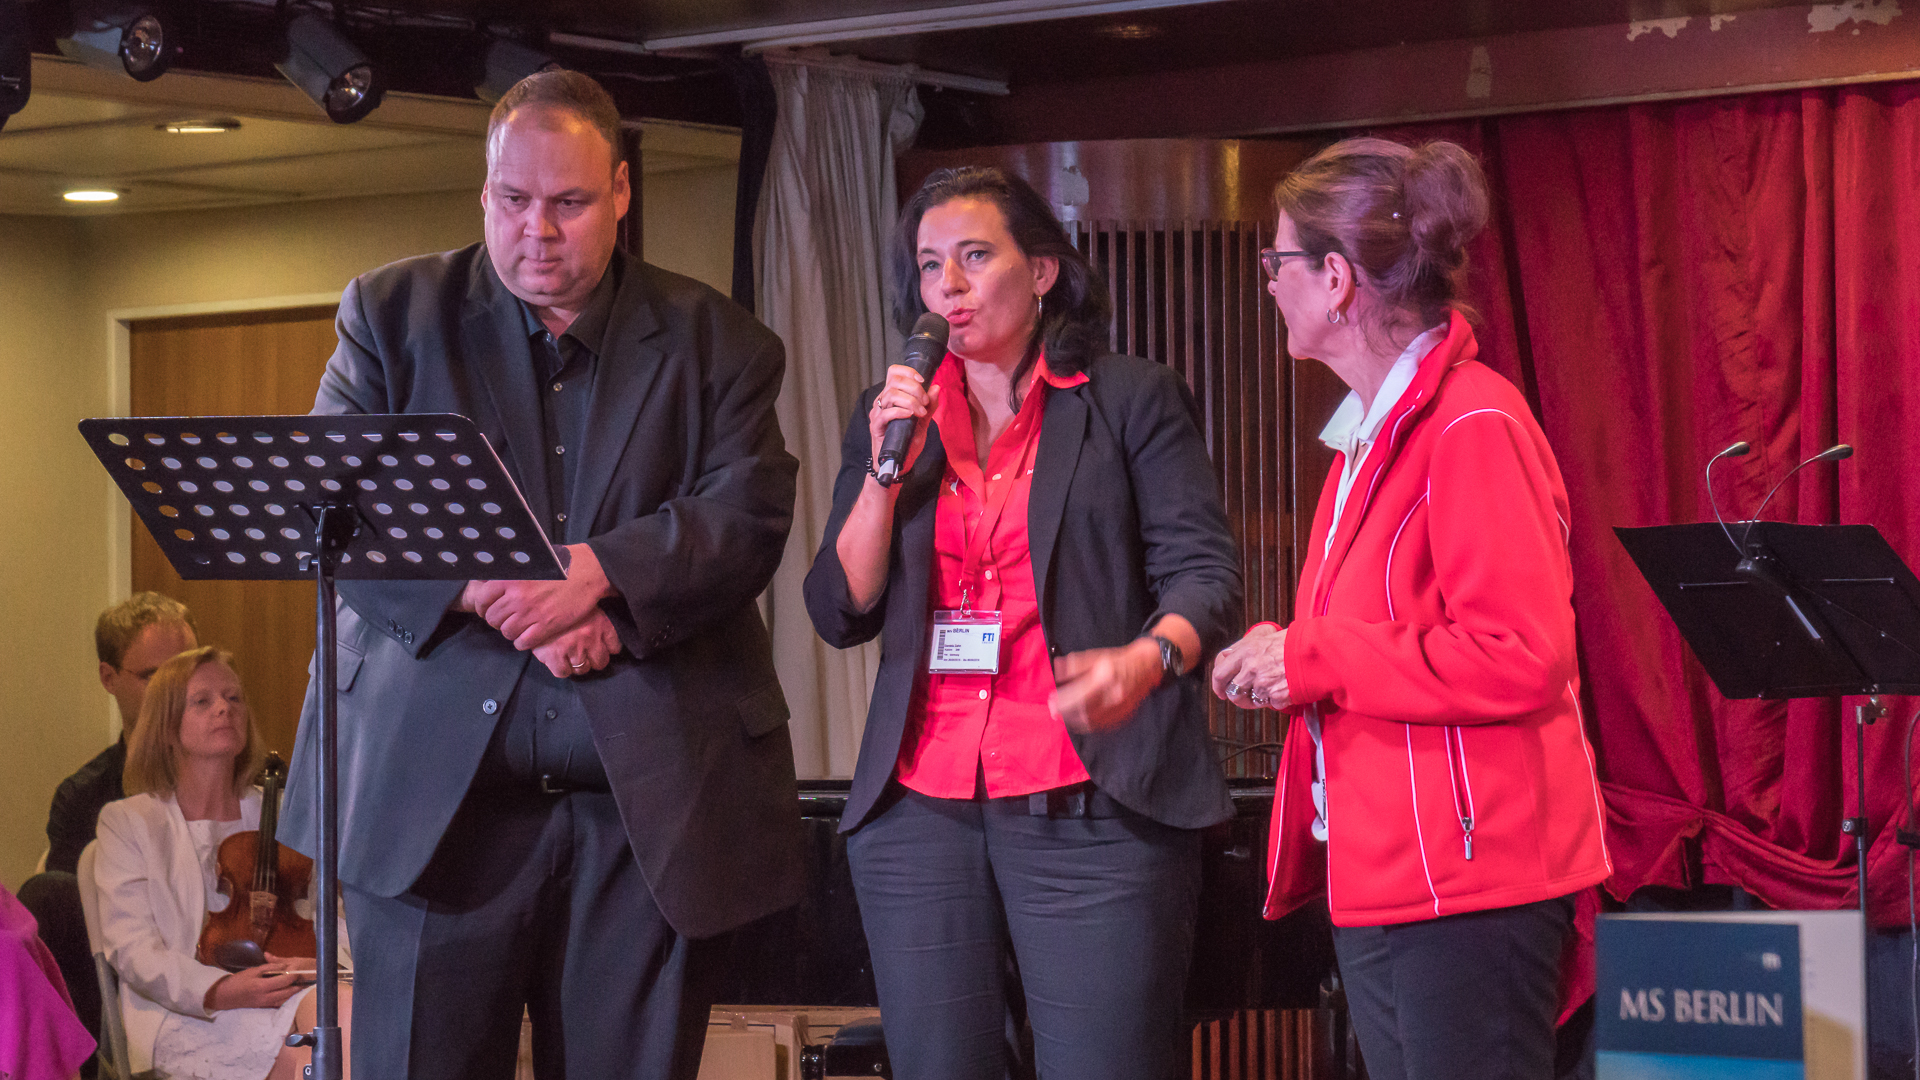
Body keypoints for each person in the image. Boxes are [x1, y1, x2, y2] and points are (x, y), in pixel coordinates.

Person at [279, 69, 801, 1080]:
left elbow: (749, 514)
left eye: (567, 203)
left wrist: (603, 573)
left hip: (644, 813)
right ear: (485, 195)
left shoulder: (721, 342)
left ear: (619, 193)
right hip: (432, 816)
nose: (539, 231)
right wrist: (508, 590)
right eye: (514, 202)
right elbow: (333, 507)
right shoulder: (390, 316)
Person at [805, 166, 1242, 1080]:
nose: (948, 288)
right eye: (929, 267)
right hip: (924, 809)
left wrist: (1150, 658)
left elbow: (1205, 575)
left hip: (1090, 803)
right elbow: (839, 608)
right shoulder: (894, 416)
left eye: (974, 257)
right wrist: (887, 471)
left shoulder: (1126, 398)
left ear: (1042, 271)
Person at [1211, 137, 1611, 1080]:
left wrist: (1314, 658)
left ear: (1338, 278)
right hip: (1388, 871)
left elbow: (1519, 653)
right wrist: (1286, 647)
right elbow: (1379, 628)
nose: (1268, 282)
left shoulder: (1472, 422)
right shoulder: (1375, 428)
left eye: (1278, 261)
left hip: (1474, 881)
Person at [94, 646, 354, 1080]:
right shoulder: (129, 822)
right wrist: (220, 989)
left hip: (287, 988)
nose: (224, 709)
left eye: (234, 699)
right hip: (191, 1011)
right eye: (203, 701)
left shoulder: (285, 813)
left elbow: (339, 915)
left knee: (347, 1013)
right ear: (166, 727)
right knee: (314, 1064)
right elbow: (133, 949)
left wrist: (317, 964)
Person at [16, 592, 198, 1070]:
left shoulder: (247, 779)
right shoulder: (82, 795)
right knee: (45, 898)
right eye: (154, 676)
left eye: (188, 670)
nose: (175, 691)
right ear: (108, 678)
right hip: (120, 970)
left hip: (218, 949)